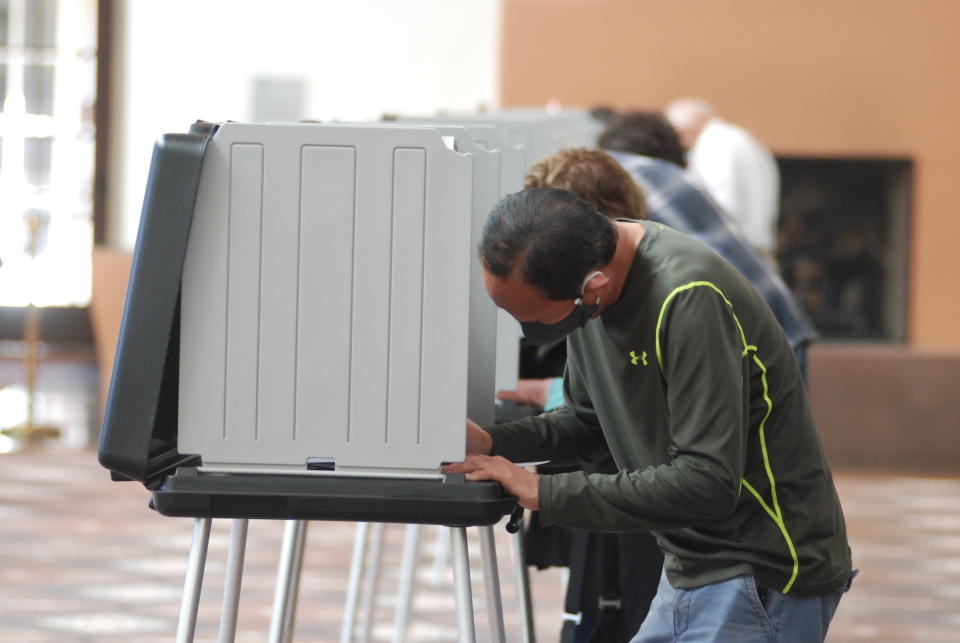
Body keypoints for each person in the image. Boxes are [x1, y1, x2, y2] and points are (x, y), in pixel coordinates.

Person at [445, 187, 853, 642]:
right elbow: (588, 423)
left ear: (592, 289)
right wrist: (494, 443)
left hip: (761, 572)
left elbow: (706, 482)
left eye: (538, 320)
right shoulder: (586, 287)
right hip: (692, 565)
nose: (530, 332)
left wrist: (546, 491)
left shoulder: (688, 298)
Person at [665, 98, 781, 265]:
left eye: (679, 135)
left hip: (735, 254)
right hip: (753, 247)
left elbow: (718, 205)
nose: (681, 143)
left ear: (686, 128)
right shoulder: (738, 137)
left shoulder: (714, 145)